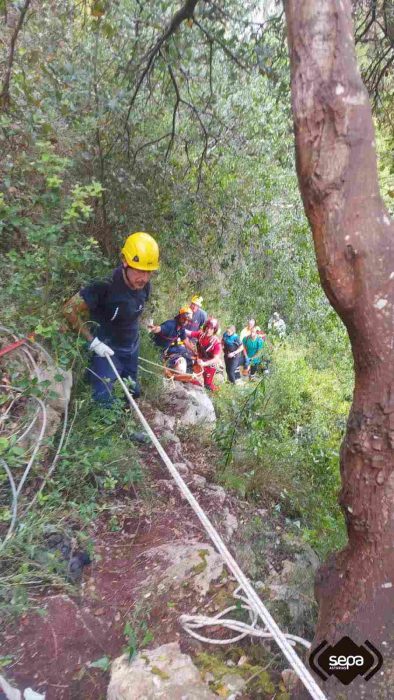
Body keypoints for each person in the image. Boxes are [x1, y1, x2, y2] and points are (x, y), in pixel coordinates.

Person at [64, 231, 159, 404]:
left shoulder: (145, 286)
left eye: (149, 272)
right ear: (125, 262)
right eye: (139, 271)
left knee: (132, 393)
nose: (144, 278)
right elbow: (69, 309)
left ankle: (125, 422)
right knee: (102, 401)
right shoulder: (105, 285)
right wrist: (93, 342)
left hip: (131, 347)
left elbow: (132, 312)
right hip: (106, 348)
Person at [150, 306, 194, 371]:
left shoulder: (181, 329)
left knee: (183, 350)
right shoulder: (170, 325)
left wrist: (194, 351)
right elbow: (160, 328)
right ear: (179, 316)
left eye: (187, 320)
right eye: (184, 318)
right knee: (157, 368)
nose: (185, 321)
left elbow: (186, 341)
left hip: (162, 351)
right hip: (152, 348)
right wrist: (153, 328)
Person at [187, 317, 222, 391]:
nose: (208, 330)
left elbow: (216, 359)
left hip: (209, 365)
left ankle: (215, 389)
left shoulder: (216, 343)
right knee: (193, 380)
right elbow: (189, 332)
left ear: (214, 330)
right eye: (208, 327)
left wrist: (204, 364)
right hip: (199, 362)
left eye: (211, 329)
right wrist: (178, 326)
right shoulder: (200, 335)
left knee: (207, 386)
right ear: (205, 327)